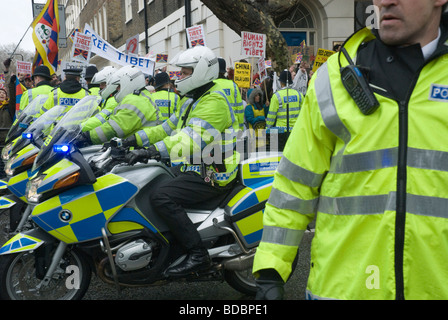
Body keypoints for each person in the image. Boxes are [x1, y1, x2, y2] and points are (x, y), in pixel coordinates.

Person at [253, 0, 448, 300]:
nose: (384, 1)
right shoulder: (332, 80)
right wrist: (270, 268)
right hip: (343, 291)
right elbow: (294, 184)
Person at [125, 45, 240, 277]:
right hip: (192, 167)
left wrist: (150, 152)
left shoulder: (214, 103)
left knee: (161, 196)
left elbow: (189, 141)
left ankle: (198, 254)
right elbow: (166, 129)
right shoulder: (190, 101)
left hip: (213, 171)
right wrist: (132, 140)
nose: (180, 77)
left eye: (186, 72)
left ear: (201, 72)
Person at [81, 65, 161, 145]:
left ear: (129, 83)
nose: (116, 89)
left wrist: (87, 136)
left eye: (119, 85)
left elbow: (114, 128)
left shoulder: (134, 101)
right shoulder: (142, 97)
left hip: (137, 150)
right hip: (139, 149)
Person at [266, 69, 303, 150]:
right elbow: (303, 114)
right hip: (296, 131)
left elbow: (271, 116)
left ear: (281, 82)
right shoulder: (299, 95)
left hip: (281, 132)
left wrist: (268, 129)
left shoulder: (276, 96)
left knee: (281, 156)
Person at [81, 66, 119, 132]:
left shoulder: (113, 101)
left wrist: (79, 127)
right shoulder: (109, 99)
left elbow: (100, 119)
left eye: (103, 84)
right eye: (100, 84)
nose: (100, 86)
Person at [214, 58, 244, 132]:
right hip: (233, 129)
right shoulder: (233, 85)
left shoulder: (210, 86)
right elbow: (239, 109)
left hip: (216, 129)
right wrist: (241, 128)